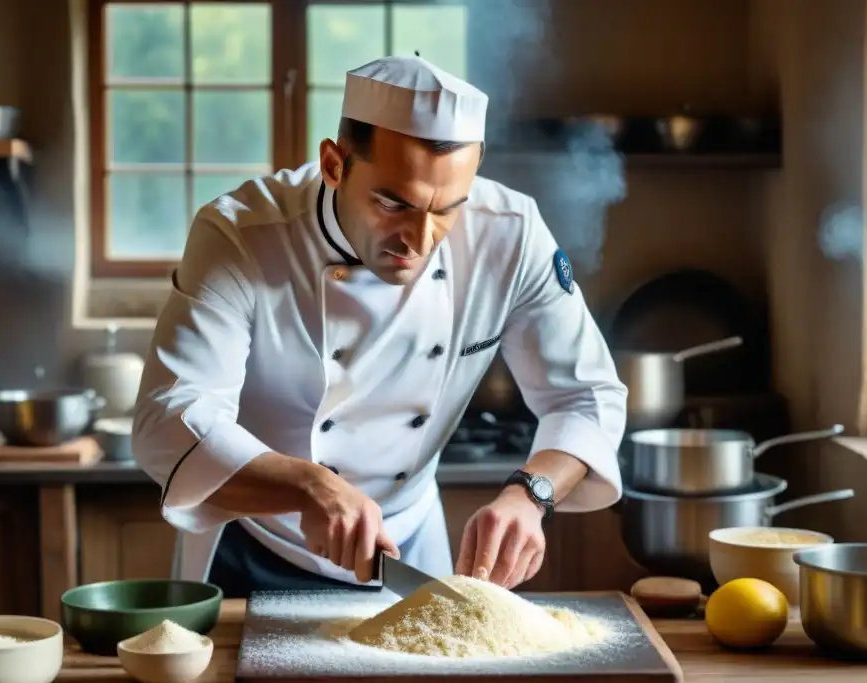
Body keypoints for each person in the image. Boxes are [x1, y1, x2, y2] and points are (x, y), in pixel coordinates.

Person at [131, 55, 628, 596]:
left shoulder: (511, 234)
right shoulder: (241, 236)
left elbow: (586, 397)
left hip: (409, 549)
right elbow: (168, 417)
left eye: (447, 209)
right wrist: (309, 486)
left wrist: (530, 494)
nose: (419, 239)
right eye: (393, 203)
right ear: (334, 164)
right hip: (253, 548)